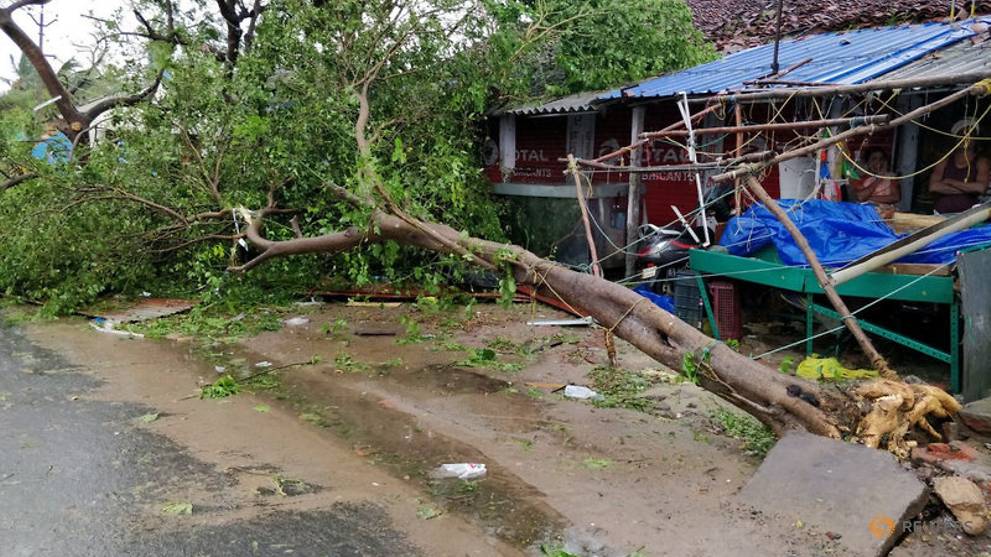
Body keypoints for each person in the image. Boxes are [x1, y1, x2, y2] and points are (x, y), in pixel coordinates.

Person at [929, 120, 990, 214]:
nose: (965, 138)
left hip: (968, 216)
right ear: (955, 138)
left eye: (969, 134)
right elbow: (934, 187)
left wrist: (950, 182)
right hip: (941, 212)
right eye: (961, 134)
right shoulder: (944, 160)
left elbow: (980, 188)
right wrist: (968, 190)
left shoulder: (981, 162)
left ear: (975, 139)